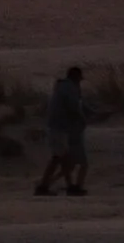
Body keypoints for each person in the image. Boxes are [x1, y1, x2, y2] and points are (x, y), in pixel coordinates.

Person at [36, 65, 88, 196]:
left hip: (57, 127)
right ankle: (48, 186)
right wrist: (82, 119)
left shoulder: (63, 87)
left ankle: (51, 186)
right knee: (62, 158)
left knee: (59, 158)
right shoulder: (69, 88)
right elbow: (73, 107)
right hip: (59, 128)